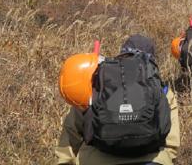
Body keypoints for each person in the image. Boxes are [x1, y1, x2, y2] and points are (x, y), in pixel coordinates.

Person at [55, 35, 180, 165]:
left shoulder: (97, 84)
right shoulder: (162, 89)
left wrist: (65, 161)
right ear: (151, 60)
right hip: (154, 161)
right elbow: (172, 144)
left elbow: (72, 130)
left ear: (122, 54)